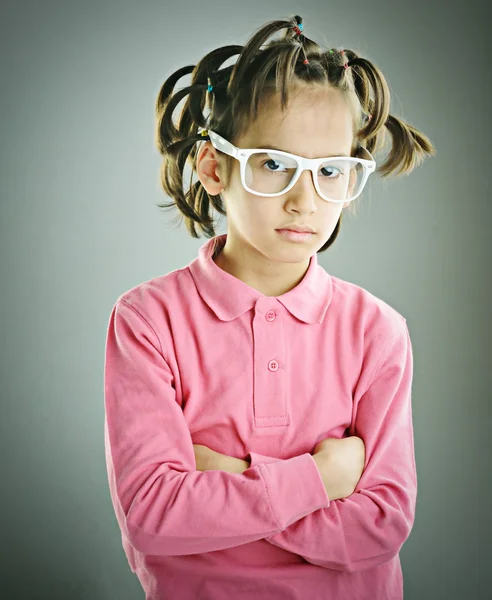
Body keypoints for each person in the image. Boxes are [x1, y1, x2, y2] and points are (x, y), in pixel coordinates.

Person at [104, 14, 435, 600]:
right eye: (274, 164)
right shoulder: (149, 321)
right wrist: (321, 480)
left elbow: (379, 527)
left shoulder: (377, 331)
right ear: (214, 167)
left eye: (330, 171)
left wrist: (226, 484)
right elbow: (154, 517)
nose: (304, 199)